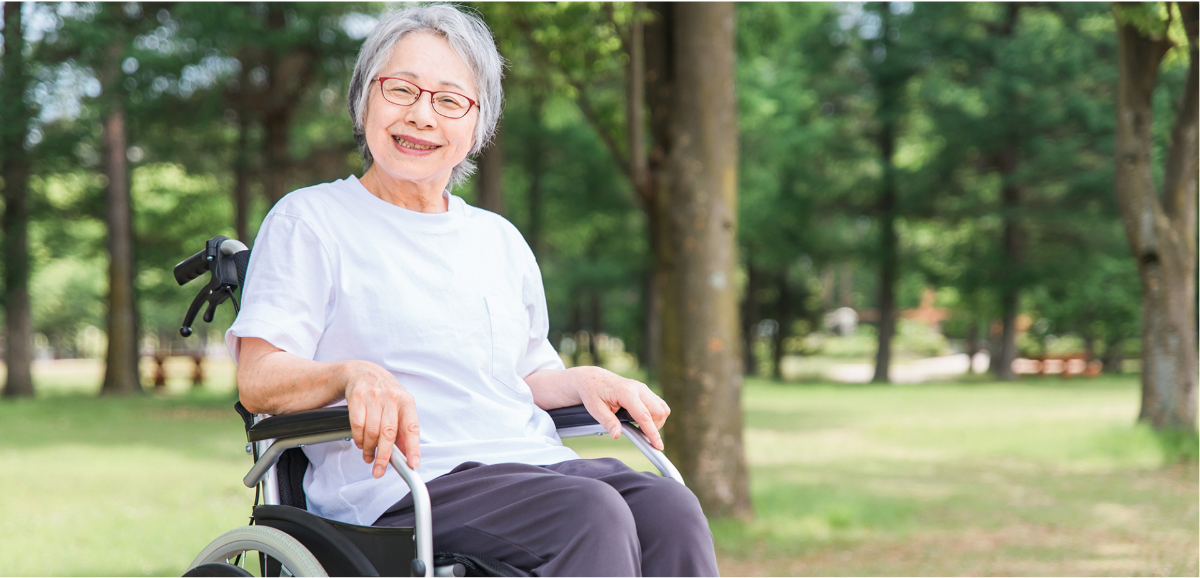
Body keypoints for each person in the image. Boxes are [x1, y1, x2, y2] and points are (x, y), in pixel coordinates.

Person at [225, 4, 719, 576]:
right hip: (405, 486)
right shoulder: (310, 220)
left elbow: (527, 377)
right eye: (400, 89)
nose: (421, 116)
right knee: (590, 511)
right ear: (364, 100)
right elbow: (259, 379)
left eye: (449, 100)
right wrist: (349, 374)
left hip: (529, 468)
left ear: (478, 125)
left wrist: (588, 379)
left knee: (670, 508)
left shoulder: (498, 239)